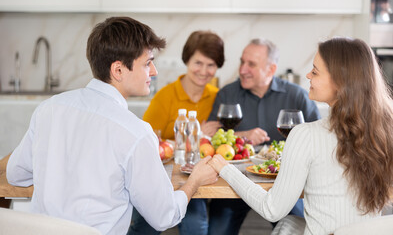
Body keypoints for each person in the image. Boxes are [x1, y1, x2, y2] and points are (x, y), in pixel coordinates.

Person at [6, 17, 218, 235]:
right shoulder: (135, 133)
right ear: (118, 70)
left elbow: (16, 174)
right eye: (147, 63)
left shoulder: (49, 108)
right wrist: (194, 181)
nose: (154, 71)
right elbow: (164, 216)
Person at [208, 37, 393, 234]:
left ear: (340, 82)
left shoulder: (306, 135)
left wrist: (225, 168)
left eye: (315, 71)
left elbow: (271, 210)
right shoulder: (385, 129)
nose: (307, 75)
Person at [206, 38, 321, 235]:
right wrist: (244, 136)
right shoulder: (227, 94)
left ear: (270, 69)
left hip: (284, 186)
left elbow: (318, 138)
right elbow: (212, 138)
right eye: (242, 62)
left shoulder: (298, 96)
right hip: (234, 186)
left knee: (300, 228)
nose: (242, 69)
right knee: (218, 231)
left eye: (251, 64)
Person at [129, 30, 224, 235]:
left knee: (196, 226)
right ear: (187, 61)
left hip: (193, 180)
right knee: (144, 226)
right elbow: (147, 142)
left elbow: (221, 142)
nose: (204, 71)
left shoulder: (218, 97)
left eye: (211, 65)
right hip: (157, 180)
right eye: (198, 63)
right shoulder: (165, 96)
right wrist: (195, 134)